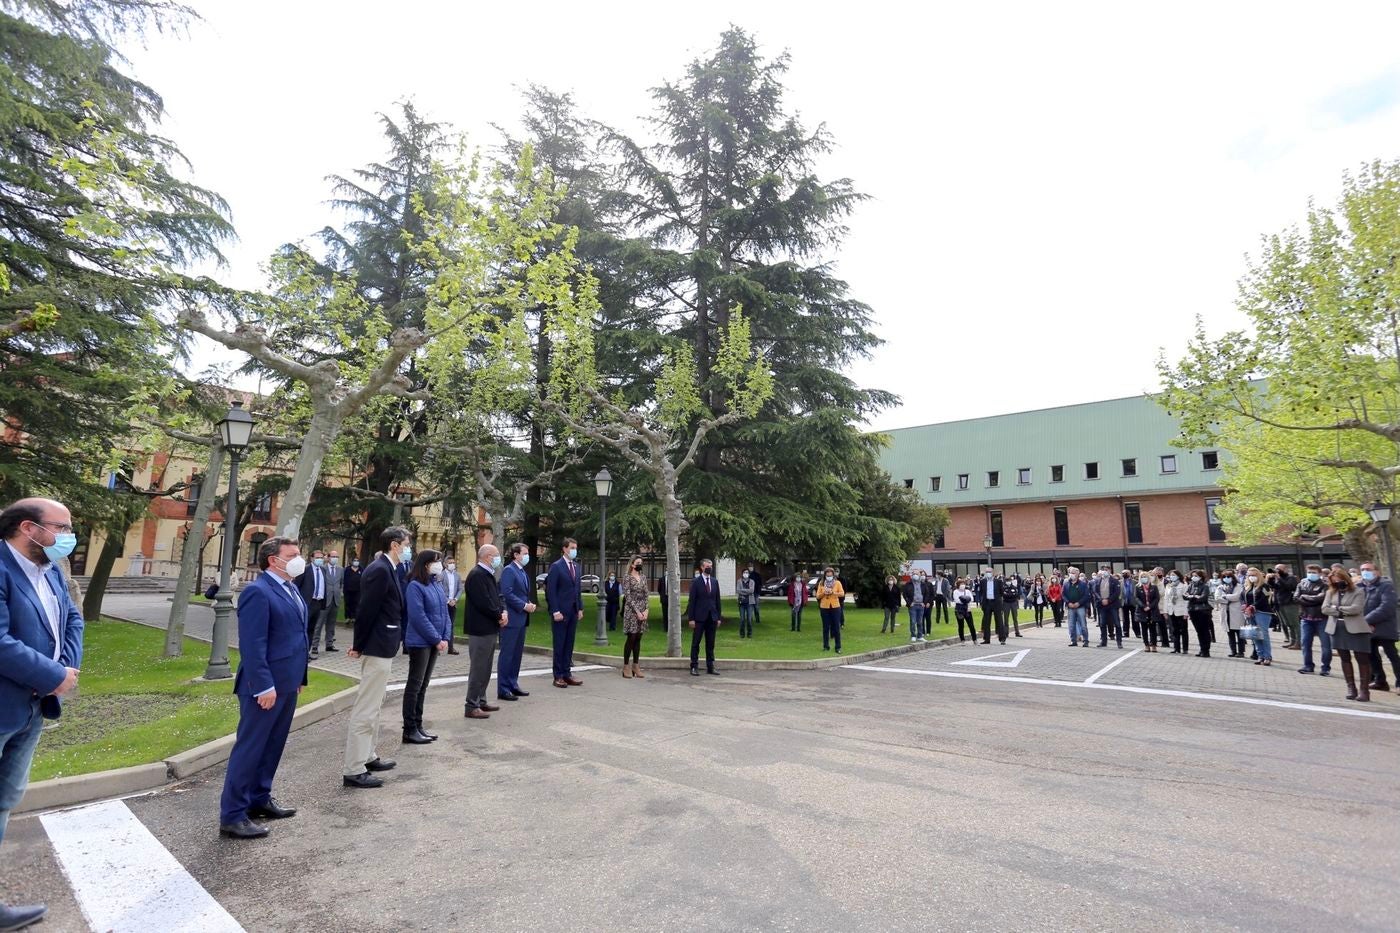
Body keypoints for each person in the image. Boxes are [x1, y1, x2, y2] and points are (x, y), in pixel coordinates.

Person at [0, 500, 84, 927]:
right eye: (63, 527)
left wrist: (64, 672)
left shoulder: (50, 572)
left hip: (32, 706)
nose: (69, 536)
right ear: (30, 528)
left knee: (4, 800)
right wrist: (52, 674)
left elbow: (72, 620)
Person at [218, 536, 308, 841]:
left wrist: (298, 678)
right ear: (273, 560)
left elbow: (296, 638)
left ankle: (259, 798)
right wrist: (263, 686)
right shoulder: (258, 592)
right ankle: (233, 815)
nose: (300, 559)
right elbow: (253, 646)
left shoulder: (290, 588)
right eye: (293, 555)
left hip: (287, 683)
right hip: (264, 687)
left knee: (272, 746)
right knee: (251, 749)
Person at [341, 526, 408, 789]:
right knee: (366, 708)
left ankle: (368, 756)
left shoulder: (389, 568)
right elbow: (366, 610)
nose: (408, 548)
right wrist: (357, 645)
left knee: (376, 705)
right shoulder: (379, 570)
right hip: (376, 644)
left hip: (385, 643)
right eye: (406, 543)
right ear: (394, 544)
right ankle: (354, 768)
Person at [401, 549, 449, 744]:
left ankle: (418, 725)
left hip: (434, 641)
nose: (440, 565)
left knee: (423, 685)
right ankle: (409, 728)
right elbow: (418, 617)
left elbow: (444, 613)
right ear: (426, 563)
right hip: (420, 642)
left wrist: (445, 637)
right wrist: (436, 639)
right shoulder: (415, 586)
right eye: (436, 561)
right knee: (415, 685)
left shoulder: (436, 584)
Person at [464, 544, 508, 718]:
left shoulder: (488, 574)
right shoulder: (476, 575)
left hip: (489, 627)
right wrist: (498, 615)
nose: (498, 559)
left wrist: (503, 612)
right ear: (487, 557)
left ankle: (481, 700)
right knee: (478, 668)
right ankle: (471, 705)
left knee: (486, 668)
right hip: (480, 629)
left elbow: (497, 597)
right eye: (496, 555)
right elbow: (484, 602)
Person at [1322, 566, 1372, 701]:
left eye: (1339, 580)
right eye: (1333, 581)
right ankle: (1351, 687)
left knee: (1362, 659)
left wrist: (1336, 608)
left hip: (1356, 628)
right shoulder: (1330, 593)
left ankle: (1364, 690)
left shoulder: (1358, 591)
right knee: (1344, 658)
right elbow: (1324, 609)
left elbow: (1356, 609)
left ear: (1345, 578)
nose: (1337, 583)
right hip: (1336, 628)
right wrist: (1341, 610)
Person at [545, 538, 585, 688]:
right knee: (560, 643)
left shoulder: (576, 566)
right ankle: (558, 675)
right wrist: (555, 610)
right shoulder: (556, 567)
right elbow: (551, 591)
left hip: (573, 611)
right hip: (560, 612)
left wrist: (580, 608)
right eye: (572, 547)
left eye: (576, 547)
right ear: (565, 549)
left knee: (569, 644)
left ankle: (567, 673)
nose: (575, 550)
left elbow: (577, 589)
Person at [496, 543, 534, 701]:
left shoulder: (521, 571)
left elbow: (522, 593)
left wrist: (529, 604)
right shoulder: (509, 570)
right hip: (511, 619)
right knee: (508, 654)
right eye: (524, 553)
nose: (527, 556)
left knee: (517, 654)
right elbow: (506, 593)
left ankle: (513, 683)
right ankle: (503, 688)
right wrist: (524, 605)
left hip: (521, 619)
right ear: (516, 555)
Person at [1358, 561, 1399, 693]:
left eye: (1368, 569)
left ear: (1377, 572)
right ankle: (1380, 681)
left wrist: (1367, 620)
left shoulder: (1386, 586)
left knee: (1392, 655)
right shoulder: (1359, 587)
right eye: (1363, 569)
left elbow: (1387, 607)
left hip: (1384, 627)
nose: (1365, 572)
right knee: (1372, 656)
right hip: (1366, 629)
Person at [685, 558, 723, 674]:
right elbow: (692, 601)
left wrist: (718, 617)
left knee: (710, 643)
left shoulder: (714, 581)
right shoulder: (696, 582)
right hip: (699, 617)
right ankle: (694, 666)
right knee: (696, 642)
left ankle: (710, 666)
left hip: (712, 617)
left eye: (711, 566)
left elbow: (717, 601)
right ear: (702, 567)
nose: (709, 568)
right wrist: (691, 618)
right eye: (707, 566)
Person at [1296, 563, 1331, 675]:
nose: (1311, 574)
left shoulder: (1324, 585)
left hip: (1322, 618)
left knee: (1326, 645)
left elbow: (1322, 598)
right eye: (1309, 572)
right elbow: (1296, 597)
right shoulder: (1302, 583)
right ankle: (1308, 665)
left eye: (1314, 572)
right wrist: (1312, 600)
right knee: (1305, 643)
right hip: (1306, 617)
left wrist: (1305, 597)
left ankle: (1325, 667)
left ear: (1319, 574)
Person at [296, 548, 329, 660]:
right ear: (311, 558)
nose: (319, 560)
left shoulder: (323, 570)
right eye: (317, 558)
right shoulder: (305, 570)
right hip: (307, 603)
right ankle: (300, 653)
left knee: (312, 629)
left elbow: (324, 587)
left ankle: (307, 653)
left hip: (318, 603)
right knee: (303, 629)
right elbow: (297, 586)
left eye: (321, 558)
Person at [621, 555, 650, 678]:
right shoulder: (627, 578)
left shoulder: (643, 577)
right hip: (632, 612)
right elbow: (628, 596)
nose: (640, 565)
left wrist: (646, 610)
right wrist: (637, 611)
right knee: (631, 637)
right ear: (632, 564)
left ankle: (636, 665)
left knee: (638, 637)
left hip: (642, 611)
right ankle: (626, 666)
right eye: (638, 563)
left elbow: (646, 594)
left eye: (641, 563)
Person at [1243, 567, 1274, 666]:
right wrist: (1245, 605)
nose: (1252, 577)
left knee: (1263, 635)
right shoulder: (1248, 587)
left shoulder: (1264, 586)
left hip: (1262, 612)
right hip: (1250, 613)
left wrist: (1253, 606)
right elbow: (1245, 598)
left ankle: (1267, 657)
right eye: (1250, 575)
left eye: (1254, 575)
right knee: (1254, 635)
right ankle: (1260, 656)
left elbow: (1265, 599)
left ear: (1259, 575)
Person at [1215, 569, 1245, 658]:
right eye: (1224, 577)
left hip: (1236, 612)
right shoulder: (1220, 587)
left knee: (1239, 633)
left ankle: (1241, 651)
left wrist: (1224, 596)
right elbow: (1217, 598)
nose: (1226, 578)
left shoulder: (1238, 586)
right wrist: (1227, 598)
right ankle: (1233, 651)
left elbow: (1237, 597)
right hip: (1226, 611)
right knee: (1230, 633)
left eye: (1228, 577)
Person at [438, 555, 463, 655]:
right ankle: (438, 647)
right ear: (445, 564)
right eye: (449, 563)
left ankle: (451, 647)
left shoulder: (457, 575)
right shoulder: (441, 575)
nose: (452, 564)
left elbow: (460, 588)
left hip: (454, 604)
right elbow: (439, 589)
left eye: (453, 562)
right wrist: (448, 600)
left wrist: (455, 599)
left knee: (451, 625)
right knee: (441, 624)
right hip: (444, 603)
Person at [817, 567, 846, 651]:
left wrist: (833, 592)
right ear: (825, 575)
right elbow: (818, 596)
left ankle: (838, 647)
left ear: (833, 575)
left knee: (836, 627)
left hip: (835, 607)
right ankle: (826, 646)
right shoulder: (821, 583)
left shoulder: (837, 583)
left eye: (830, 575)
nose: (829, 576)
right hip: (824, 607)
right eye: (827, 575)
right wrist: (824, 593)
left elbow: (842, 593)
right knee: (825, 628)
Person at [1186, 570, 1214, 657]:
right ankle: (1202, 649)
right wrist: (1193, 596)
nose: (1194, 577)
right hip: (1193, 610)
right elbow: (1185, 595)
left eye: (1196, 576)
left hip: (1203, 611)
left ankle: (1206, 650)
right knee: (1199, 631)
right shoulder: (1190, 585)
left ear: (1201, 577)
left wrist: (1192, 597)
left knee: (1204, 631)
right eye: (1193, 575)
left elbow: (1203, 598)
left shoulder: (1205, 586)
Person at [1095, 566, 1123, 649]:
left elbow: (1117, 593)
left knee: (1117, 623)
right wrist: (1101, 599)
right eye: (1103, 570)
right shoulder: (1098, 581)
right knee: (1102, 624)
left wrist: (1108, 600)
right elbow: (1095, 592)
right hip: (1102, 605)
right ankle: (1103, 641)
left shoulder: (1115, 581)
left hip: (1112, 605)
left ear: (1110, 571)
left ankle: (1119, 642)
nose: (1105, 571)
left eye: (1107, 570)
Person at [1272, 564, 1300, 650]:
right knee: (1288, 624)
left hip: (1290, 603)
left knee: (1295, 624)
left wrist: (1279, 578)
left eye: (1279, 569)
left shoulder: (1291, 578)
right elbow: (1276, 589)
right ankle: (1292, 641)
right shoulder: (1278, 580)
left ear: (1285, 570)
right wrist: (1271, 581)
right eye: (1275, 569)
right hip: (1281, 604)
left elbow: (1289, 587)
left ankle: (1299, 642)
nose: (1277, 571)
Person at [1161, 570, 1189, 654]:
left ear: (1178, 576)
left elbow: (1186, 601)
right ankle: (1176, 648)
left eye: (1174, 575)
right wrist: (1165, 611)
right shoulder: (1168, 586)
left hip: (1181, 610)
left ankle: (1185, 648)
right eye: (1171, 575)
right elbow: (1166, 599)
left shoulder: (1183, 585)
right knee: (1174, 630)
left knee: (1183, 630)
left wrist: (1186, 613)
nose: (1172, 576)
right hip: (1171, 610)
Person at [321, 550, 343, 653]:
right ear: (328, 558)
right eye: (333, 556)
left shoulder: (340, 569)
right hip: (325, 599)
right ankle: (314, 645)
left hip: (335, 599)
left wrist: (339, 593)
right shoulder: (323, 569)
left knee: (331, 623)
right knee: (319, 623)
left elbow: (341, 583)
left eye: (337, 556)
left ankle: (329, 644)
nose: (335, 558)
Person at [1062, 567, 1090, 647]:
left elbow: (1086, 595)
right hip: (1070, 607)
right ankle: (1073, 640)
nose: (1072, 574)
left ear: (1077, 574)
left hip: (1080, 607)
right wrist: (1068, 602)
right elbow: (1063, 594)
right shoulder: (1066, 583)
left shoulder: (1083, 584)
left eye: (1074, 573)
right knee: (1071, 625)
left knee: (1083, 624)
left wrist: (1079, 603)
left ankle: (1086, 640)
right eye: (1071, 573)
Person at [977, 567, 1005, 645]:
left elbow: (1002, 592)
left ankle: (1002, 638)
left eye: (989, 571)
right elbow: (981, 593)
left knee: (999, 621)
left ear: (993, 572)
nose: (988, 573)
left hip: (996, 603)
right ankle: (986, 639)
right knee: (986, 621)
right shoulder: (982, 581)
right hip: (987, 603)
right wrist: (981, 603)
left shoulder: (998, 581)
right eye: (987, 572)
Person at [1134, 572, 1161, 651]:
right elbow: (1136, 598)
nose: (1144, 578)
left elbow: (1157, 598)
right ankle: (1146, 645)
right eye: (1142, 577)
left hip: (1152, 610)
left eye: (1145, 576)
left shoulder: (1154, 587)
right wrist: (1143, 606)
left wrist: (1150, 606)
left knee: (1152, 629)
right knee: (1144, 629)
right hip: (1142, 610)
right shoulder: (1137, 587)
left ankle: (1154, 645)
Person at [900, 570, 924, 644]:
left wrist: (925, 602)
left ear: (919, 574)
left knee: (920, 621)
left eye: (916, 573)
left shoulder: (922, 584)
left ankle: (920, 636)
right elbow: (905, 594)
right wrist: (909, 603)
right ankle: (913, 635)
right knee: (913, 621)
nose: (915, 575)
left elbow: (927, 593)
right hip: (913, 605)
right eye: (913, 573)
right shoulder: (908, 584)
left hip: (921, 605)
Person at [952, 578, 977, 642]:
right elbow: (957, 600)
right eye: (961, 584)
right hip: (959, 610)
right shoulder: (955, 591)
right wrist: (966, 600)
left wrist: (964, 599)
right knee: (961, 625)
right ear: (958, 585)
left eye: (963, 584)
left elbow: (971, 599)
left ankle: (974, 639)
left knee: (971, 625)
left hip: (967, 610)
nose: (962, 585)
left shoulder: (967, 591)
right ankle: (962, 639)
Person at [737, 569, 757, 639]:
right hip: (741, 602)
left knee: (749, 619)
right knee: (742, 619)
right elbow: (738, 591)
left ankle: (749, 633)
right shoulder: (739, 581)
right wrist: (746, 591)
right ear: (742, 573)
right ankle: (742, 634)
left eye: (747, 572)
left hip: (750, 603)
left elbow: (752, 591)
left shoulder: (752, 581)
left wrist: (743, 590)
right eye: (744, 572)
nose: (746, 574)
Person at [343, 556, 362, 626]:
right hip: (348, 590)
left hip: (358, 590)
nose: (356, 561)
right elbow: (344, 579)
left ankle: (354, 617)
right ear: (352, 561)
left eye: (357, 560)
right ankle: (347, 617)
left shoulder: (361, 569)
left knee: (356, 604)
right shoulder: (347, 569)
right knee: (348, 603)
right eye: (355, 560)